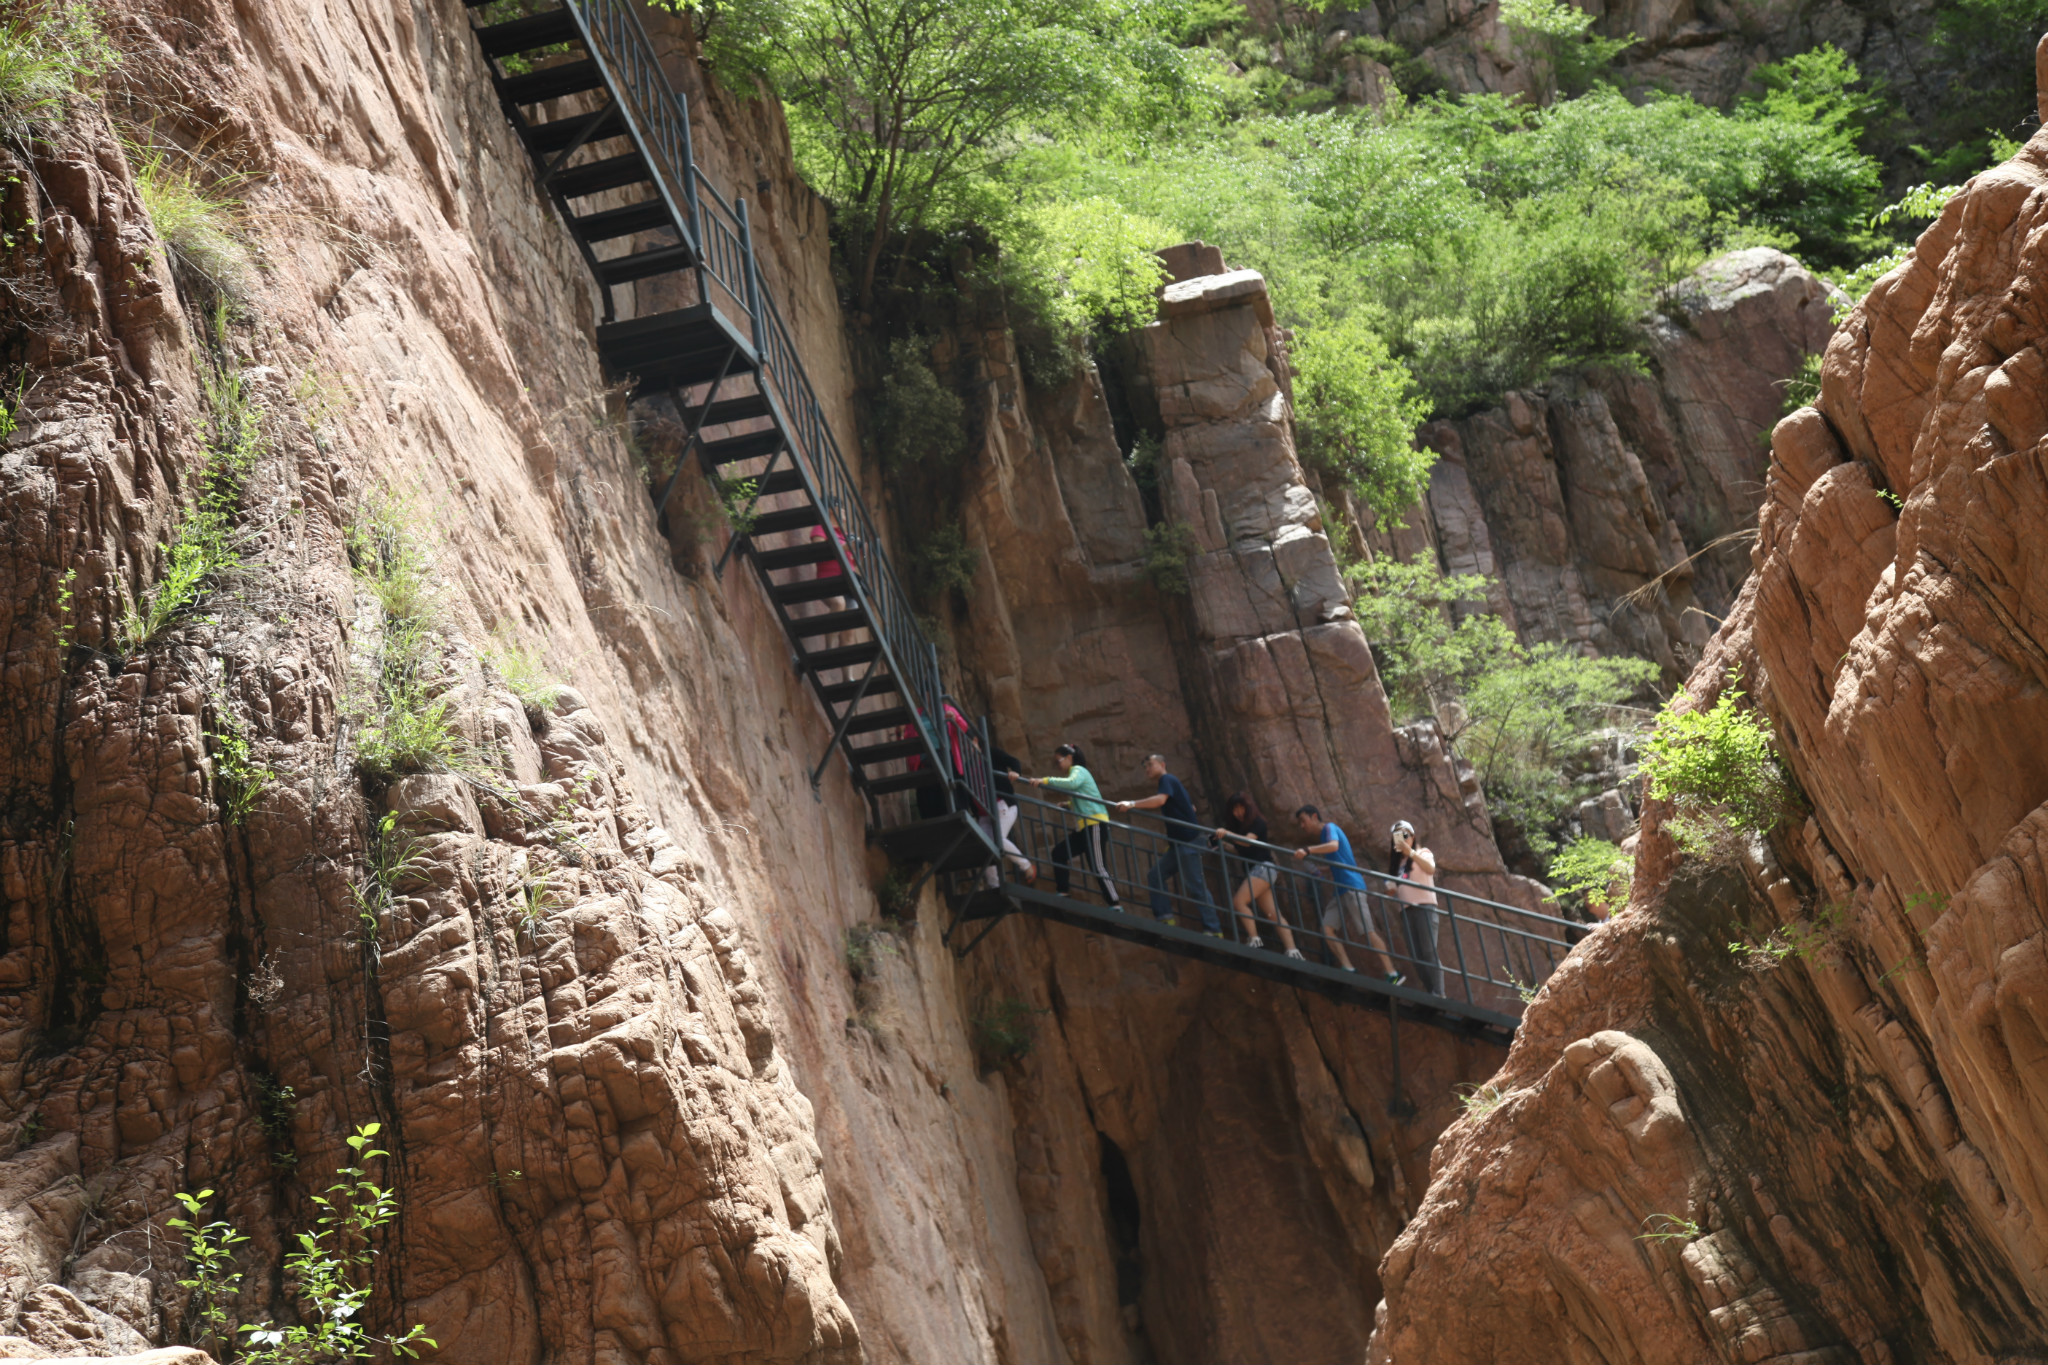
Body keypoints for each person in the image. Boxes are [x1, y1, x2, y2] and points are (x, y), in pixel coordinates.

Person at [1291, 805, 1402, 983]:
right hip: (1340, 889)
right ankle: (1348, 967)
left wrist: (1308, 850)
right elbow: (1339, 859)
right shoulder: (1324, 835)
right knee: (1327, 928)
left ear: (1314, 817)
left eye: (1303, 821)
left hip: (1352, 887)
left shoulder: (1330, 829)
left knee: (1368, 931)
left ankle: (1393, 973)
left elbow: (1334, 846)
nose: (1302, 826)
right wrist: (1322, 869)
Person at [1114, 755, 1220, 933]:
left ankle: (1214, 929)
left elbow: (1160, 800)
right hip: (1178, 845)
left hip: (1188, 843)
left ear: (1162, 764)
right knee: (1155, 875)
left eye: (1150, 765)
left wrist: (1132, 803)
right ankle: (1164, 919)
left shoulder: (1167, 779)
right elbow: (1189, 807)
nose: (1147, 769)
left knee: (1196, 886)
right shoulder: (1171, 783)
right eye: (1145, 767)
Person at [1010, 744, 1119, 906]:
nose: (1058, 765)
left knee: (1098, 866)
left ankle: (1115, 903)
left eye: (1058, 761)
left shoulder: (1078, 770)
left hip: (1095, 823)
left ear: (1069, 758)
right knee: (1059, 853)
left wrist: (1044, 781)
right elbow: (1084, 795)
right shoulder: (1076, 772)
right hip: (1083, 828)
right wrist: (1070, 804)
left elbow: (1072, 783)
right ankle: (1063, 891)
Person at [1212, 792, 1301, 958]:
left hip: (1263, 869)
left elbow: (1248, 841)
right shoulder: (1241, 828)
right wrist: (1223, 843)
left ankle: (1254, 939)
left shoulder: (1258, 823)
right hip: (1259, 871)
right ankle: (1293, 951)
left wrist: (1227, 834)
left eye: (1241, 808)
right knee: (1273, 914)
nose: (1238, 812)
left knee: (1238, 902)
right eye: (1234, 809)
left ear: (1248, 808)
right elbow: (1241, 849)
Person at [1388, 820, 1443, 994]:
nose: (1403, 839)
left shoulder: (1423, 852)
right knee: (1416, 956)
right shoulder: (1397, 865)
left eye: (1406, 835)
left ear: (1413, 837)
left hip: (1425, 907)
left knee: (1428, 951)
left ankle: (1438, 993)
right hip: (1406, 911)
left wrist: (1410, 852)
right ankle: (1430, 991)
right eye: (1398, 836)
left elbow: (1430, 868)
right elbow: (1391, 887)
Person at [986, 738, 1036, 887]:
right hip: (985, 811)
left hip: (1004, 804)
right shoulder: (968, 762)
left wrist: (1015, 772)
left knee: (997, 839)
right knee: (986, 844)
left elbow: (1013, 761)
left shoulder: (991, 752)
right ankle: (994, 885)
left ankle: (1026, 866)